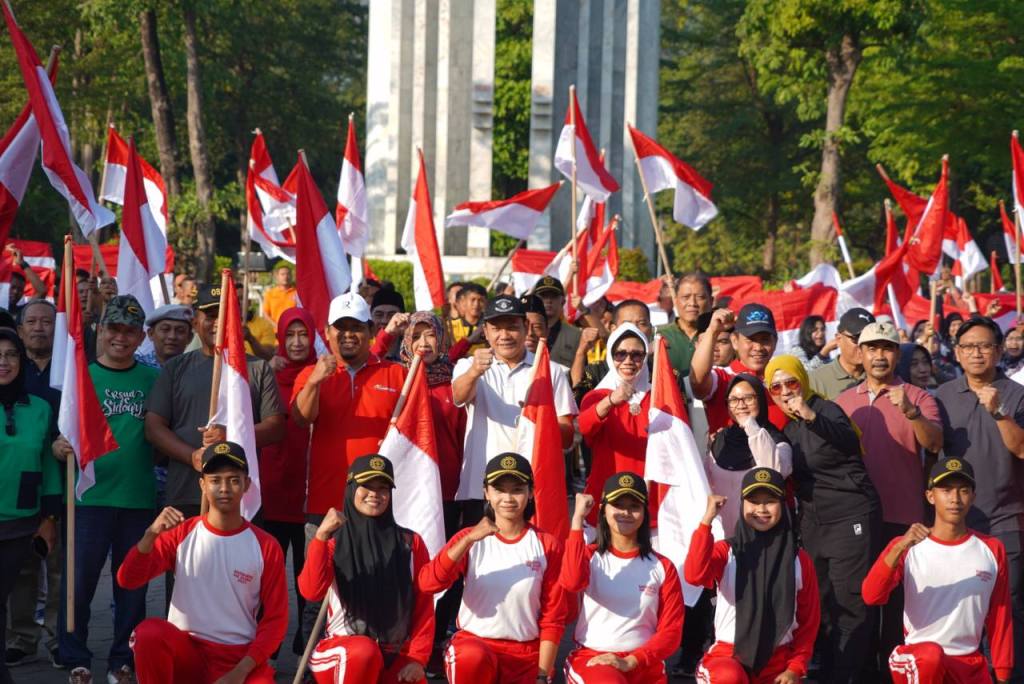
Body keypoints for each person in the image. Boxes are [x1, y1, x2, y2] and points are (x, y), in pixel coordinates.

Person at [51, 296, 160, 684]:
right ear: (101, 330)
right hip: (88, 498)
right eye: (114, 328)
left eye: (129, 331)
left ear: (140, 336)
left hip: (137, 499)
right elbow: (57, 431)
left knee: (131, 585)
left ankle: (123, 660)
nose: (120, 337)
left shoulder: (153, 379)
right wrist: (57, 446)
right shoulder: (81, 377)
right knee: (78, 584)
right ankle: (75, 656)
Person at [117, 441, 287, 683]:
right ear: (203, 485)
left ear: (247, 485)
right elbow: (127, 579)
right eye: (215, 480)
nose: (224, 488)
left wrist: (239, 673)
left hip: (237, 657)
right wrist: (150, 534)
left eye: (233, 480)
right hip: (187, 651)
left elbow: (276, 620)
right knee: (149, 634)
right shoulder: (181, 533)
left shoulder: (265, 545)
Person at [763, 354, 880, 684]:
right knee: (823, 603)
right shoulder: (789, 427)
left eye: (791, 383)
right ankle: (828, 670)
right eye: (776, 387)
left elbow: (848, 441)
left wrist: (812, 415)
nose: (786, 391)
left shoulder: (825, 409)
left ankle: (846, 675)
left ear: (803, 380)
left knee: (850, 602)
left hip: (851, 516)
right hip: (815, 523)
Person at [862, 458, 1013, 684]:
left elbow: (1000, 617)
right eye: (946, 490)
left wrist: (1002, 675)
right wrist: (901, 546)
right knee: (931, 656)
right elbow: (871, 595)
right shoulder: (907, 546)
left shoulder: (992, 548)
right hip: (917, 659)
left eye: (963, 490)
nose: (955, 499)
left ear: (973, 497)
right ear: (930, 496)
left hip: (969, 664)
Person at [418, 453, 565, 684]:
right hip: (474, 646)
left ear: (530, 492)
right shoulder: (469, 538)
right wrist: (466, 541)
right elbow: (428, 583)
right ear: (486, 492)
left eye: (517, 489)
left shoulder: (548, 545)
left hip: (524, 655)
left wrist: (542, 674)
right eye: (499, 489)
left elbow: (553, 617)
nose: (508, 498)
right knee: (470, 658)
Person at [144, 283, 285, 520]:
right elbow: (153, 427)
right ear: (196, 322)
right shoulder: (174, 368)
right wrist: (193, 456)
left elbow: (276, 427)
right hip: (185, 494)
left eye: (225, 315)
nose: (218, 322)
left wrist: (231, 434)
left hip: (241, 498)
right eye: (210, 316)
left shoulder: (258, 368)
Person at [935, 316, 1024, 681]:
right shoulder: (941, 397)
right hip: (956, 523)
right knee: (959, 609)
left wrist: (999, 411)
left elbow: (1020, 449)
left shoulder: (1016, 393)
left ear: (999, 351)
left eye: (985, 345)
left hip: (1006, 519)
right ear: (956, 352)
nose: (977, 353)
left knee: (1009, 608)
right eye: (969, 347)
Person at [298, 455, 433, 683]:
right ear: (351, 488)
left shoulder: (411, 543)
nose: (375, 494)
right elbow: (311, 591)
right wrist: (320, 538)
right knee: (363, 652)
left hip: (391, 651)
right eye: (366, 486)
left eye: (383, 488)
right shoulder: (332, 541)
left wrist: (418, 659)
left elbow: (423, 603)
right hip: (339, 647)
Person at [686, 469, 820, 683]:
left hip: (779, 663)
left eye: (770, 501)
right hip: (726, 659)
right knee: (730, 678)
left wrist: (795, 668)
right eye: (754, 502)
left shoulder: (800, 560)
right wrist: (706, 522)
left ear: (783, 505)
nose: (761, 509)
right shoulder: (726, 551)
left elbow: (808, 623)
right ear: (742, 505)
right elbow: (695, 575)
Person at [452, 295, 576, 523]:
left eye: (512, 327)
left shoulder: (550, 370)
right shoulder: (469, 365)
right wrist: (474, 372)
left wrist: (542, 420)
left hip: (531, 489)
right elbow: (458, 397)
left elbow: (567, 436)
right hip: (482, 488)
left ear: (526, 328)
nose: (504, 335)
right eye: (496, 328)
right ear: (485, 332)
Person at [559, 475, 685, 683]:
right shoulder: (589, 556)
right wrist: (577, 520)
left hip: (644, 664)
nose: (626, 513)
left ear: (645, 512)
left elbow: (671, 632)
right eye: (618, 505)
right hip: (594, 660)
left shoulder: (663, 566)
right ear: (603, 509)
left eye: (634, 506)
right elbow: (572, 582)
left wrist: (633, 661)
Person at [292, 292, 406, 518]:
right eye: (340, 327)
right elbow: (301, 419)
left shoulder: (398, 374)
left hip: (380, 503)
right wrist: (315, 380)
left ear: (372, 331)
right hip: (326, 504)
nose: (348, 335)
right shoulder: (310, 375)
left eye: (356, 327)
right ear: (327, 331)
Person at [397, 312, 466, 671]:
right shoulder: (397, 378)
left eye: (431, 336)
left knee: (443, 567)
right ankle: (404, 640)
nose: (425, 343)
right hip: (406, 489)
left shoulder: (454, 382)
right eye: (417, 336)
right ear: (407, 340)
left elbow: (463, 436)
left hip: (447, 489)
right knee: (408, 569)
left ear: (442, 339)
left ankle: (438, 639)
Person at [0, 327, 59, 684]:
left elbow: (49, 465)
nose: (3, 362)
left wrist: (49, 517)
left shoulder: (39, 408)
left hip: (21, 523)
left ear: (21, 362)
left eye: (10, 355)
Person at [260, 307, 316, 656]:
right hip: (272, 489)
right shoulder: (265, 373)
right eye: (290, 335)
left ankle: (306, 644)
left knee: (307, 579)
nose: (296, 342)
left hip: (311, 492)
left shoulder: (324, 372)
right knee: (269, 579)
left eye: (303, 335)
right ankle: (269, 643)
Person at [578, 323, 659, 526]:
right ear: (610, 356)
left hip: (649, 498)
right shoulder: (596, 395)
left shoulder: (659, 396)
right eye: (620, 354)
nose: (628, 361)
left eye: (637, 355)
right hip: (607, 494)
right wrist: (611, 400)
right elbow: (585, 427)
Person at [705, 374, 792, 535]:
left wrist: (750, 426)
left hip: (764, 535)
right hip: (726, 539)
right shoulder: (720, 440)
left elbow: (775, 471)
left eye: (748, 398)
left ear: (760, 399)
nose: (741, 405)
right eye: (733, 400)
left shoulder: (776, 439)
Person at [690, 304, 786, 433]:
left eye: (765, 340)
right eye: (750, 340)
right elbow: (697, 380)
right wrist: (712, 331)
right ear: (735, 341)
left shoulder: (786, 379)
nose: (758, 347)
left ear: (775, 342)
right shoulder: (722, 378)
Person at [809, 307, 875, 399]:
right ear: (839, 339)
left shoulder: (883, 375)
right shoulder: (816, 381)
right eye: (856, 338)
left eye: (870, 341)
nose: (863, 346)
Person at [656, 272, 713, 376]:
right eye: (686, 297)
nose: (692, 303)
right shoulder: (658, 335)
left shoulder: (720, 337)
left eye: (700, 297)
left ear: (711, 301)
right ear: (676, 301)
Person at [533, 276, 582, 368]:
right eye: (543, 296)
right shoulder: (525, 332)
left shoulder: (576, 335)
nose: (548, 300)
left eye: (554, 296)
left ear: (563, 301)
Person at [136, 304, 194, 369]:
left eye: (180, 331)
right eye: (165, 329)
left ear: (189, 337)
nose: (172, 336)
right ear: (151, 334)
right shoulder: (136, 367)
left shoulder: (196, 368)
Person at [370, 286, 406, 360]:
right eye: (379, 315)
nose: (384, 321)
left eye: (391, 315)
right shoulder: (361, 348)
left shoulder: (411, 350)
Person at [449, 282, 487, 346]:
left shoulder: (489, 326)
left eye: (481, 300)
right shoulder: (450, 327)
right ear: (463, 301)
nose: (476, 304)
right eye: (473, 300)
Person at [261, 262, 297, 326]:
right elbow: (265, 314)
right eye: (282, 274)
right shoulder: (270, 294)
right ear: (277, 277)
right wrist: (276, 326)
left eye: (288, 274)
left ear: (291, 276)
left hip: (291, 331)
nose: (286, 276)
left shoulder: (297, 293)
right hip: (274, 332)